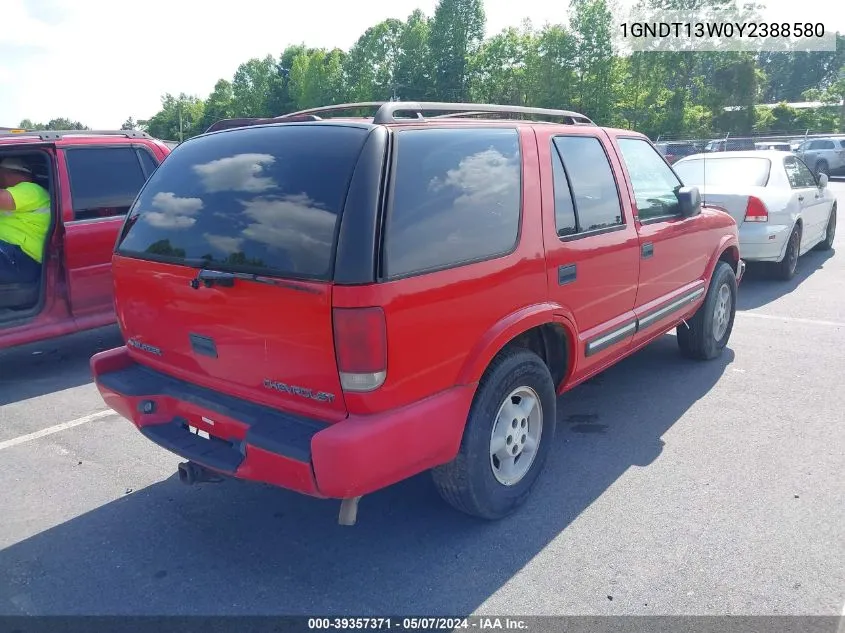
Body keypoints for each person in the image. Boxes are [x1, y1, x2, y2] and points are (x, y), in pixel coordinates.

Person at [0, 157, 51, 285]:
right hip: (9, 253)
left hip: (21, 258)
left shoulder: (30, 189)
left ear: (9, 174)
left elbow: (2, 199)